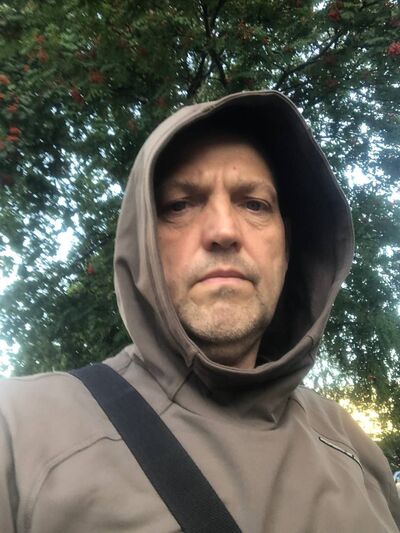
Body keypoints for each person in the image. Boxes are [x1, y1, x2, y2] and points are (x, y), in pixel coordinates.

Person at [0, 91, 399, 533]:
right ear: (144, 247)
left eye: (254, 204)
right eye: (180, 205)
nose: (224, 231)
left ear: (288, 250)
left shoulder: (355, 450)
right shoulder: (20, 431)